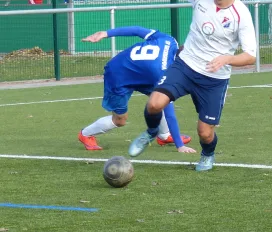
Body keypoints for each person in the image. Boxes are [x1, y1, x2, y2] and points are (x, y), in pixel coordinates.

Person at [129, 0, 257, 171]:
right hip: (186, 65)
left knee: (205, 133)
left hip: (214, 78)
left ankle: (207, 154)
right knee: (154, 104)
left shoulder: (241, 15)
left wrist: (226, 59)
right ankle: (151, 132)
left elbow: (250, 56)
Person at [78, 26, 196, 154]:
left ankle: (164, 135)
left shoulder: (169, 40)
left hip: (141, 72)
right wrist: (180, 146)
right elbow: (169, 113)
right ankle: (86, 134)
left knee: (159, 100)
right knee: (120, 120)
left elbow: (137, 30)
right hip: (118, 75)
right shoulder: (163, 72)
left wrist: (106, 33)